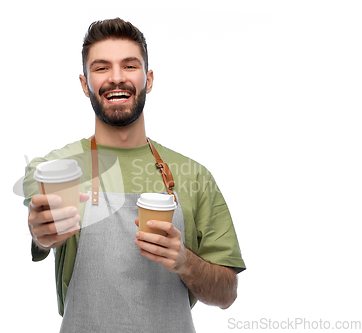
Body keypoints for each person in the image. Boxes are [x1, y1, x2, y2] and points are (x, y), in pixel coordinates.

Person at [23, 18, 246, 332]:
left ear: (148, 79)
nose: (116, 78)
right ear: (85, 84)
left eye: (129, 66)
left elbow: (226, 294)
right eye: (101, 68)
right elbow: (40, 213)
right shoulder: (58, 167)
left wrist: (184, 260)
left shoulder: (194, 176)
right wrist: (42, 237)